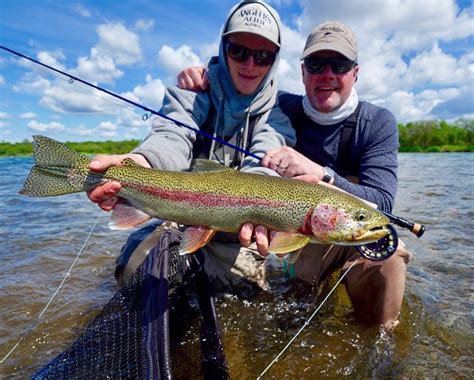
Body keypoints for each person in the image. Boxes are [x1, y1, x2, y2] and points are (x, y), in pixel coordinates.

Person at [178, 21, 412, 329]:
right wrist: (208, 73)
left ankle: (380, 341)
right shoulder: (283, 106)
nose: (327, 73)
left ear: (355, 73)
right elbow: (245, 85)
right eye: (316, 64)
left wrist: (322, 175)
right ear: (303, 72)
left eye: (339, 64)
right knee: (292, 311)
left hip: (351, 227)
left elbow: (382, 204)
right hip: (298, 229)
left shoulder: (377, 122)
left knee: (390, 258)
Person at [87, 0, 296, 291]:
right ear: (224, 49)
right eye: (239, 51)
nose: (250, 64)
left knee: (245, 298)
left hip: (237, 236)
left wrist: (260, 209)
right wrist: (140, 165)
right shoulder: (192, 93)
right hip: (174, 219)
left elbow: (265, 165)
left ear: (275, 60)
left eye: (262, 56)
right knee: (135, 273)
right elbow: (171, 138)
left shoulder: (278, 120)